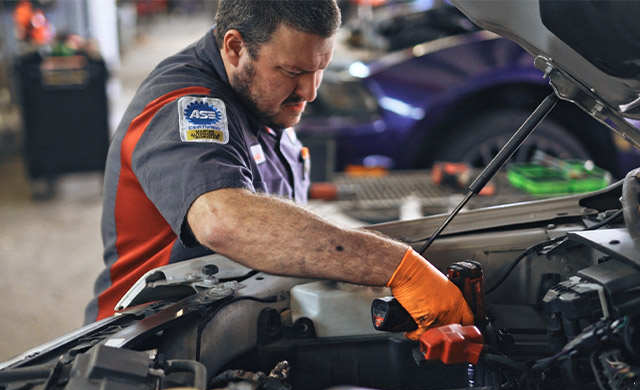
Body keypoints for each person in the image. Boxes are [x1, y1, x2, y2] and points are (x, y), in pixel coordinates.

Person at [86, 0, 473, 340]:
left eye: (320, 67)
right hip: (144, 344)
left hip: (227, 321)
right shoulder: (186, 106)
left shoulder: (261, 95)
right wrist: (399, 268)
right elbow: (223, 220)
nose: (311, 91)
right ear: (235, 48)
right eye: (293, 72)